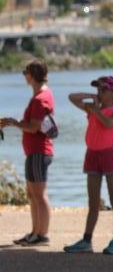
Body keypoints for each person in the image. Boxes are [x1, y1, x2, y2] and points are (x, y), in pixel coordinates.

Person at [64, 76, 113, 254]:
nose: (99, 92)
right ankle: (87, 240)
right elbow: (72, 97)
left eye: (103, 90)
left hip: (108, 156)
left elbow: (108, 124)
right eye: (98, 89)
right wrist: (91, 96)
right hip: (92, 155)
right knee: (93, 202)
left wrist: (95, 110)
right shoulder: (93, 108)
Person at [0, 59, 55, 246]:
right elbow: (33, 124)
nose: (24, 76)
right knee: (32, 195)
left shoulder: (41, 99)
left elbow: (34, 127)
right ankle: (34, 233)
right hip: (33, 152)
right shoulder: (40, 95)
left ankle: (42, 235)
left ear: (32, 75)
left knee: (39, 194)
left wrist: (14, 123)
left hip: (39, 152)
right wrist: (13, 122)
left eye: (26, 72)